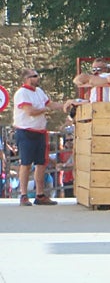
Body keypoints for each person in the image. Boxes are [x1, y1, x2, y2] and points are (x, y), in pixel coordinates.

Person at [13, 68, 64, 206]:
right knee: (26, 164)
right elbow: (30, 111)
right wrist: (45, 109)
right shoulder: (22, 93)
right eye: (35, 76)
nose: (38, 78)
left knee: (41, 164)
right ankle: (23, 195)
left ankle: (40, 194)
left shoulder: (39, 92)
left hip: (40, 132)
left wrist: (64, 105)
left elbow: (50, 104)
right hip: (26, 132)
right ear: (27, 78)